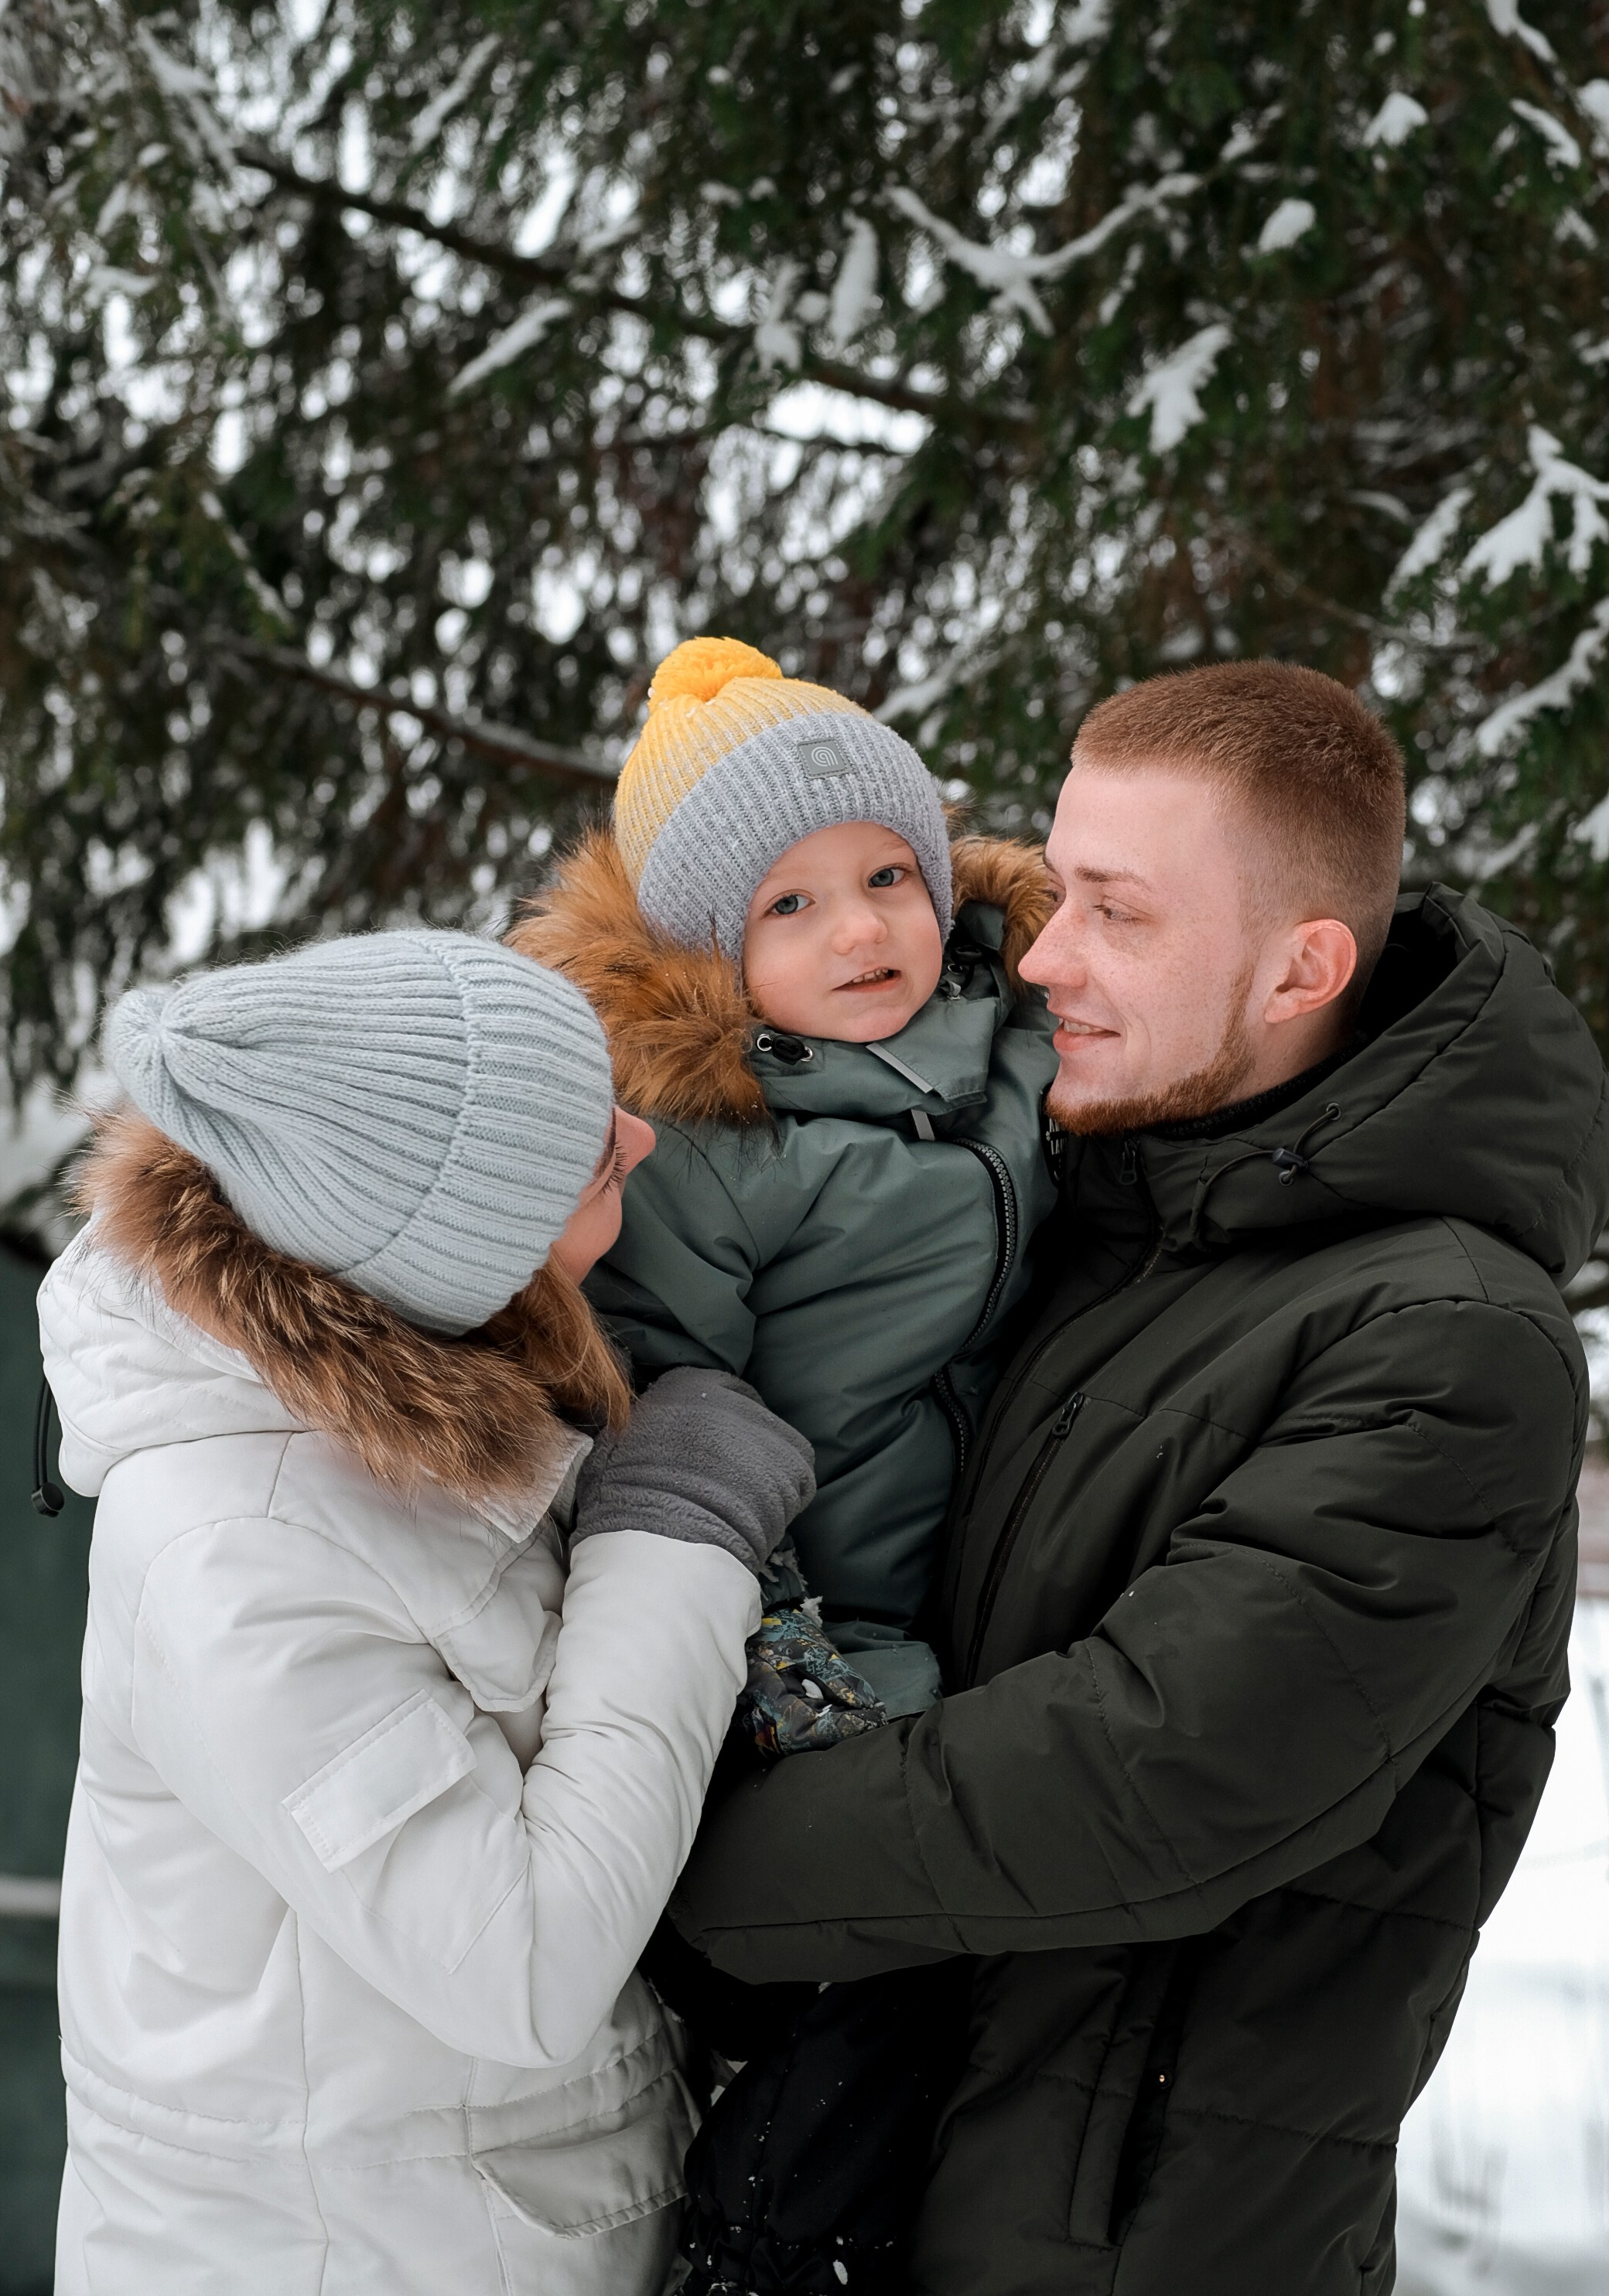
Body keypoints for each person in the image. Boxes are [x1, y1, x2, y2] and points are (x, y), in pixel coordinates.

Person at [665, 660, 1609, 2295]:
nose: (1037, 957)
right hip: (889, 2188)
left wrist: (659, 1883)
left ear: (1299, 966)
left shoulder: (1451, 1341)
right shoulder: (1099, 1216)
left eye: (1114, 911)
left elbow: (1144, 1771)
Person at [37, 928, 815, 2296]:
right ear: (463, 1245)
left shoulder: (418, 1371)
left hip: (487, 2211)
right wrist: (674, 1542)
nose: (641, 1134)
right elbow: (519, 1966)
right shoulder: (239, 1556)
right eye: (586, 1151)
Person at [510, 633, 1059, 2284]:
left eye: (886, 875)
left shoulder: (1014, 1038)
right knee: (865, 1990)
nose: (864, 930)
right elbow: (668, 1409)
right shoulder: (701, 1140)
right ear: (702, 948)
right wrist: (783, 1653)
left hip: (978, 1588)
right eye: (790, 906)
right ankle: (762, 2254)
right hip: (812, 1638)